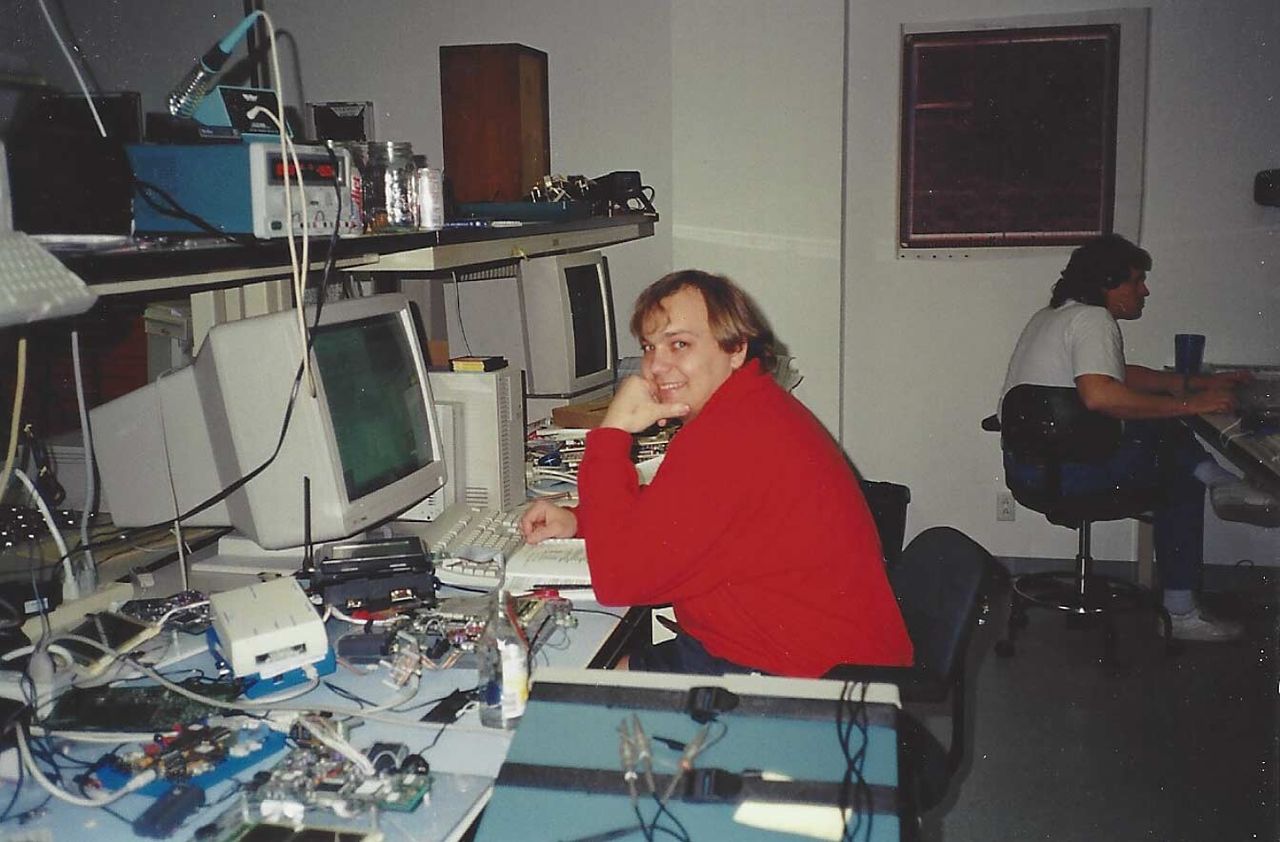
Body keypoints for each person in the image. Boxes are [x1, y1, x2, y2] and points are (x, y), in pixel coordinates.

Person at [520, 270, 912, 676]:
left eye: (680, 344)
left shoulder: (732, 436)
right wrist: (579, 520)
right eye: (650, 347)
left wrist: (611, 434)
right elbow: (676, 517)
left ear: (736, 348)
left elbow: (619, 580)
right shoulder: (746, 408)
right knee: (594, 670)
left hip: (806, 682)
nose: (656, 366)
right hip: (773, 649)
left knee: (564, 682)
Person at [999, 234, 1251, 641]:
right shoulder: (1093, 319)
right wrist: (1193, 404)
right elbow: (1101, 395)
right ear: (1108, 283)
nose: (1144, 290)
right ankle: (1182, 612)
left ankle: (1216, 477)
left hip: (1031, 469)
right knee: (1177, 477)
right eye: (1136, 280)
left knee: (1152, 418)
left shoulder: (1054, 316)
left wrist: (1194, 384)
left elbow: (1119, 374)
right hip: (1071, 473)